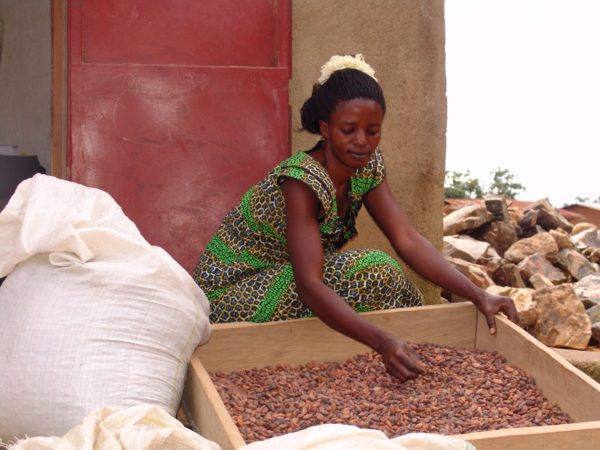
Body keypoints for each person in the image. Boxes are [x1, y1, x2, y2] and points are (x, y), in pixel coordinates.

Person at [194, 54, 517, 382]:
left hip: (284, 277)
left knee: (394, 283)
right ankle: (389, 351)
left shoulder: (366, 167)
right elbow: (309, 285)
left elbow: (406, 238)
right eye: (348, 130)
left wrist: (479, 295)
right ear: (326, 128)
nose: (362, 141)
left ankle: (417, 360)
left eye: (372, 131)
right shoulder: (300, 180)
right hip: (233, 291)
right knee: (374, 272)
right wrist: (382, 342)